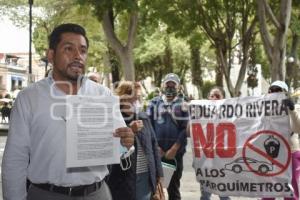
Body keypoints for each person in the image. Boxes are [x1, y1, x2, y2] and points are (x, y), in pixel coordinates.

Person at [1, 23, 134, 200]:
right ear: (51, 55)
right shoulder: (29, 98)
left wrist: (126, 141)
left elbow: (119, 146)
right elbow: (15, 160)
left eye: (83, 50)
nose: (78, 56)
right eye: (69, 49)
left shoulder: (102, 94)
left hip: (97, 193)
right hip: (46, 194)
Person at [107, 81, 163, 200]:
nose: (137, 102)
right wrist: (129, 130)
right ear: (123, 98)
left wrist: (158, 173)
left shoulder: (143, 117)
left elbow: (153, 144)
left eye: (139, 98)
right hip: (125, 179)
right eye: (134, 98)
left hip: (146, 176)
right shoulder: (113, 117)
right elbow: (110, 147)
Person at [147, 73, 188, 200]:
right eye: (167, 84)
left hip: (175, 156)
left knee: (173, 188)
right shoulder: (154, 103)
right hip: (156, 153)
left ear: (178, 87)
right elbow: (149, 125)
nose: (170, 87)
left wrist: (174, 149)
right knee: (154, 187)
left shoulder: (183, 104)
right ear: (162, 86)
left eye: (173, 85)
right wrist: (156, 147)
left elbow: (185, 128)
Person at [261, 80, 300, 200]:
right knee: (269, 189)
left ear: (285, 93)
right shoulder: (263, 109)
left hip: (291, 152)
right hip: (271, 154)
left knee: (291, 190)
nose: (274, 93)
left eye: (278, 90)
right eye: (271, 90)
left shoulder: (294, 108)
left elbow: (298, 129)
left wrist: (292, 110)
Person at [199, 86, 231, 200]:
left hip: (222, 161)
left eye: (217, 96)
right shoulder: (200, 114)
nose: (214, 98)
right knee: (205, 194)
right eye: (212, 96)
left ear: (223, 99)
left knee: (224, 193)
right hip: (205, 160)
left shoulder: (230, 115)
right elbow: (189, 133)